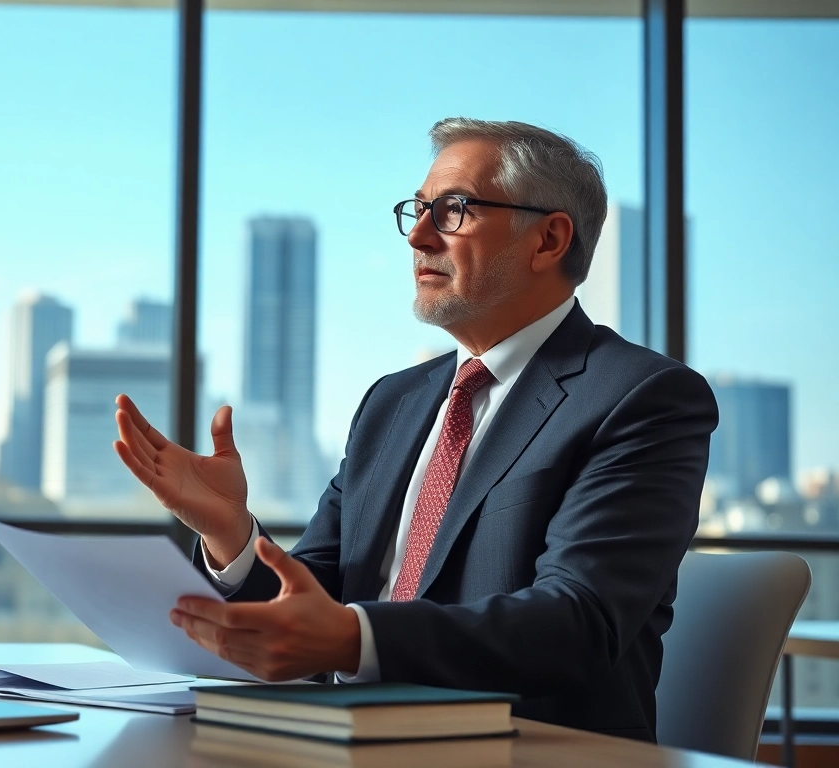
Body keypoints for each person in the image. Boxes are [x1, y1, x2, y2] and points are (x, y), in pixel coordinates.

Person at [113, 117, 718, 742]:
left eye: (454, 210)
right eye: (419, 210)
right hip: (338, 742)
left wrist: (357, 639)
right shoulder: (392, 402)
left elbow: (576, 621)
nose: (420, 237)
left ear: (549, 240)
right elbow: (314, 599)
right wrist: (231, 535)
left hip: (521, 751)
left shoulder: (641, 397)